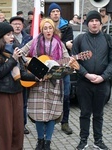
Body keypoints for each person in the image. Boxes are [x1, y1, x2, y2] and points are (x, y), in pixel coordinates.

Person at [21, 18, 79, 150]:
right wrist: (30, 65)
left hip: (54, 83)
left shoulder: (60, 44)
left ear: (54, 29)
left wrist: (68, 63)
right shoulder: (34, 42)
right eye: (45, 28)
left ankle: (47, 142)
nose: (48, 30)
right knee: (38, 113)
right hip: (38, 84)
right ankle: (40, 140)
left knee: (52, 113)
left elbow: (66, 60)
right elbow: (21, 54)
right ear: (41, 30)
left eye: (50, 28)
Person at [0, 22, 37, 150]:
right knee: (5, 129)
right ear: (1, 37)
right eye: (8, 34)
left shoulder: (16, 49)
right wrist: (13, 59)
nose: (12, 36)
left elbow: (22, 73)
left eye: (12, 34)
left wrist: (36, 77)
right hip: (3, 94)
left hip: (17, 92)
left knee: (18, 128)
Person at [72, 10, 112, 150]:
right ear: (87, 23)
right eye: (91, 21)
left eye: (97, 21)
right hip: (84, 83)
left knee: (99, 114)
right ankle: (83, 141)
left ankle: (98, 140)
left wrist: (103, 76)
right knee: (84, 113)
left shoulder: (108, 39)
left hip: (102, 83)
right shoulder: (80, 39)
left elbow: (111, 62)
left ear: (100, 24)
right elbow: (74, 62)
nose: (94, 23)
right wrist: (86, 74)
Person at [48, 2, 73, 135]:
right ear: (50, 14)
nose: (56, 13)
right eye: (53, 12)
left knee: (66, 95)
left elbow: (69, 45)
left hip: (64, 65)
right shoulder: (46, 27)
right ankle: (49, 121)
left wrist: (62, 44)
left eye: (57, 11)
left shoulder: (67, 27)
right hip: (49, 66)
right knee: (49, 95)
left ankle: (65, 122)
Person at [10, 16, 33, 134]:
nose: (17, 26)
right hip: (12, 74)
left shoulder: (29, 38)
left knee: (23, 102)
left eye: (19, 24)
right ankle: (12, 124)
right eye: (14, 24)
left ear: (23, 26)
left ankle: (22, 124)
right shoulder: (8, 39)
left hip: (26, 73)